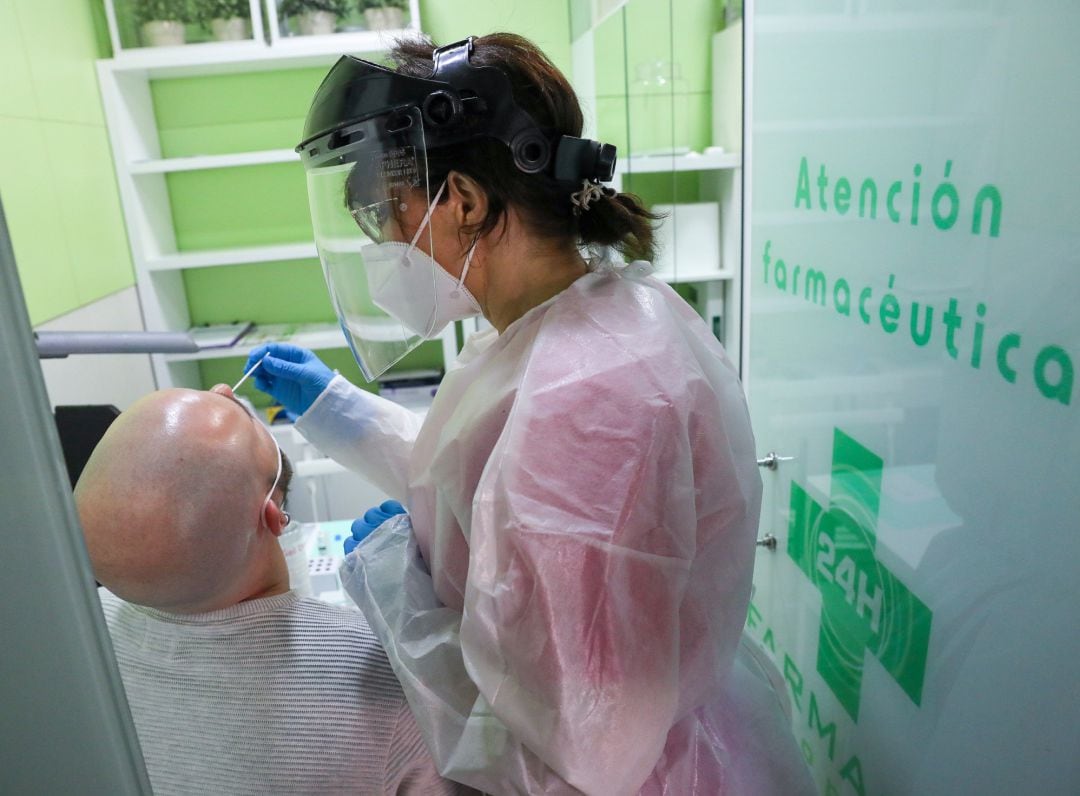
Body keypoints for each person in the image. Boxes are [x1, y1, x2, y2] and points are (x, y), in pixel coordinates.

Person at [245, 33, 814, 795]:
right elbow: (491, 482)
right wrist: (340, 412)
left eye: (388, 213)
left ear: (465, 201)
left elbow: (573, 756)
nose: (383, 242)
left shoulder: (590, 396)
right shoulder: (588, 318)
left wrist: (400, 601)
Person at [75, 387, 467, 796]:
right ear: (274, 514)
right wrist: (429, 622)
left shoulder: (76, 643)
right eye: (242, 419)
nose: (225, 390)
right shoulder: (382, 675)